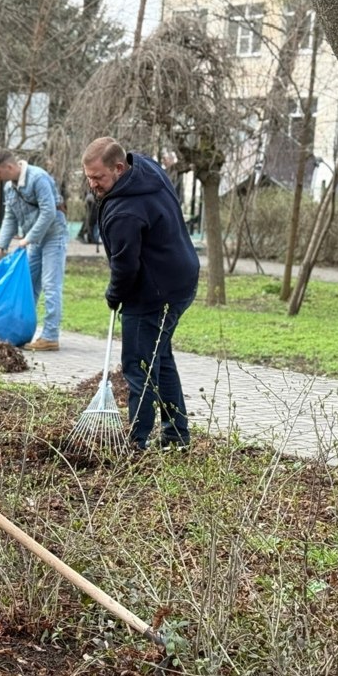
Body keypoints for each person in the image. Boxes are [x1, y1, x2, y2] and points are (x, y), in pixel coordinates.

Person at [81, 137, 199, 451]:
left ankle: (138, 441)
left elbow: (124, 267)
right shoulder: (144, 166)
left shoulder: (125, 212)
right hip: (180, 278)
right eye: (89, 177)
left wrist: (113, 295)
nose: (92, 184)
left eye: (98, 178)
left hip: (155, 293)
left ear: (119, 168)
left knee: (138, 365)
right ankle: (176, 436)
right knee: (159, 359)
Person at [0, 150, 67, 351]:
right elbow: (10, 218)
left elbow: (49, 212)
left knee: (50, 284)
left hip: (54, 235)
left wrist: (28, 239)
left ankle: (50, 336)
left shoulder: (38, 178)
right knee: (27, 284)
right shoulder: (9, 188)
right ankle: (21, 330)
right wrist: (0, 247)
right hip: (35, 240)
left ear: (10, 168)